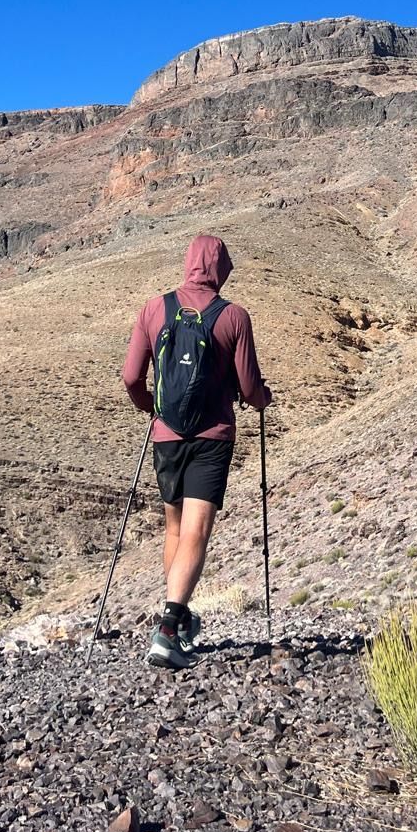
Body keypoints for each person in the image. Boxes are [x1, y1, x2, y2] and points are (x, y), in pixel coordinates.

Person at [122, 234, 271, 669]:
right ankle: (168, 631)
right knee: (196, 532)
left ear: (188, 263)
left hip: (165, 436)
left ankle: (180, 619)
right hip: (212, 435)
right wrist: (263, 399)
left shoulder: (155, 309)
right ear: (222, 268)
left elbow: (131, 377)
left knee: (174, 531)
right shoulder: (234, 317)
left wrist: (152, 408)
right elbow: (249, 388)